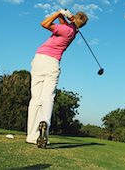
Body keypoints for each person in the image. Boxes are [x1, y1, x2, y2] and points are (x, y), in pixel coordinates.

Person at [26, 9, 88, 148]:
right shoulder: (72, 31)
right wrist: (63, 15)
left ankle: (31, 135)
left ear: (73, 19)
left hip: (40, 60)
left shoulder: (66, 30)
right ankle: (45, 128)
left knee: (35, 99)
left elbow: (44, 24)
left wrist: (58, 12)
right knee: (48, 98)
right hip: (53, 64)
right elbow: (63, 23)